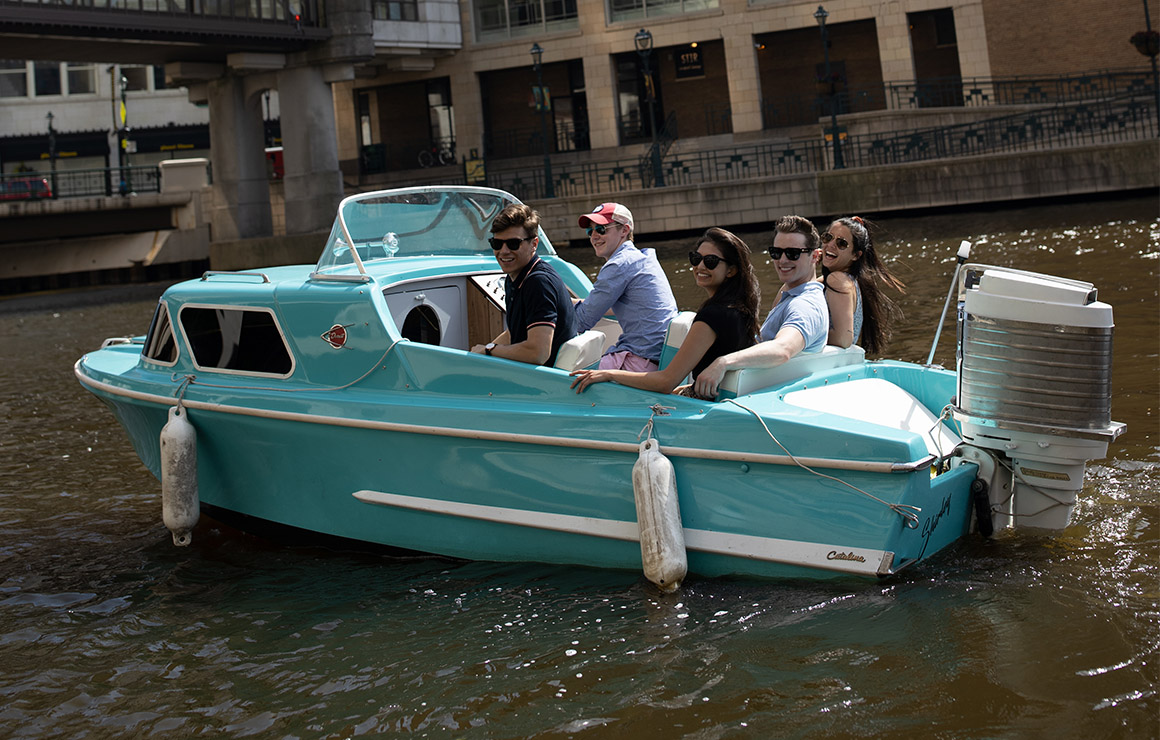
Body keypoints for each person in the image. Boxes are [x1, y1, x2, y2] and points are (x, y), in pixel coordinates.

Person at [570, 227, 760, 398]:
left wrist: (608, 374)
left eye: (711, 261)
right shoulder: (740, 308)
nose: (700, 266)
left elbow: (666, 382)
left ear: (731, 270)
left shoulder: (711, 317)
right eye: (696, 258)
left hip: (706, 407)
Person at [690, 215, 829, 399]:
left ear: (815, 256)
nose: (783, 260)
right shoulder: (791, 294)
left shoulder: (805, 305)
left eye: (793, 253)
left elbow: (783, 349)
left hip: (753, 397)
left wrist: (723, 362)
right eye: (776, 252)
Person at [574, 202, 678, 371]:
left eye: (601, 229)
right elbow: (625, 306)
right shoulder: (640, 258)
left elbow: (581, 321)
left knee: (563, 374)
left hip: (639, 360)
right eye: (590, 231)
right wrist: (569, 302)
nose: (594, 236)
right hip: (656, 357)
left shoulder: (619, 264)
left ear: (624, 230)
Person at [471, 203, 578, 366]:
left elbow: (538, 353)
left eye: (513, 244)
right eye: (497, 244)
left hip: (543, 382)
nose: (504, 251)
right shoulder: (516, 277)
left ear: (534, 244)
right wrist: (483, 354)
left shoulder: (538, 283)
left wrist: (489, 350)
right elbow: (513, 334)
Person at [818, 216, 906, 354]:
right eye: (828, 237)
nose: (831, 245)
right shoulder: (847, 280)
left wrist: (803, 334)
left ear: (856, 255)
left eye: (841, 243)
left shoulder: (838, 280)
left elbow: (843, 339)